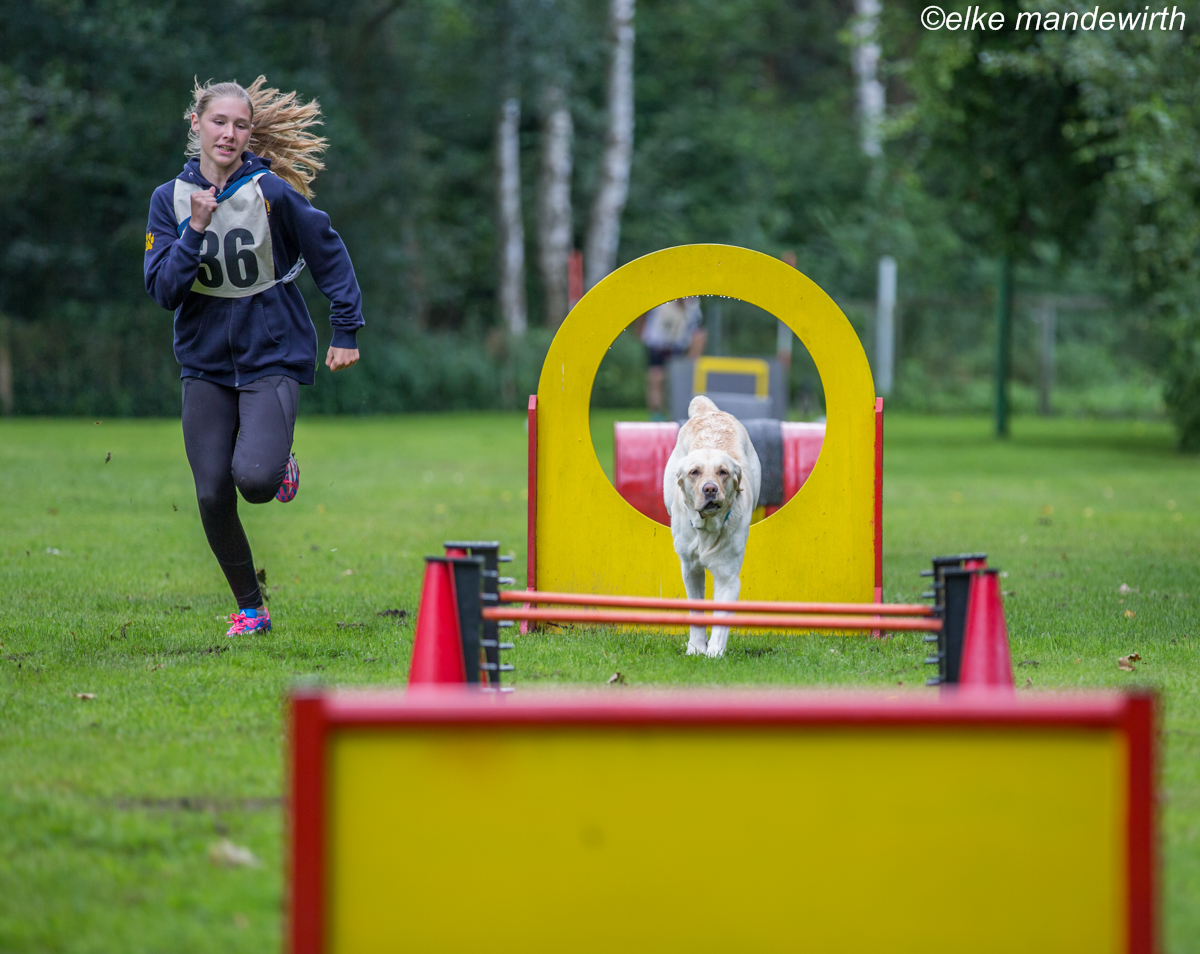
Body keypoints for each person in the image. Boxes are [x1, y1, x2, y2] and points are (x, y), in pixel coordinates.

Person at [144, 77, 363, 637]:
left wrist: (345, 329)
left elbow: (329, 252)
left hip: (274, 352)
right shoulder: (168, 200)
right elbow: (164, 290)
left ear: (249, 133)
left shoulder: (271, 192)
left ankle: (280, 463)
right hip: (205, 362)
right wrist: (195, 228)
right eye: (219, 122)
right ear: (196, 124)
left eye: (240, 125)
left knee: (257, 481)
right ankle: (251, 609)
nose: (229, 133)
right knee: (212, 491)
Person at [639, 297, 706, 420]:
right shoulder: (661, 302)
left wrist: (691, 360)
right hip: (658, 346)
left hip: (678, 348)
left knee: (677, 383)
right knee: (656, 379)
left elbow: (698, 332)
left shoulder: (693, 305)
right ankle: (656, 415)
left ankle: (677, 412)